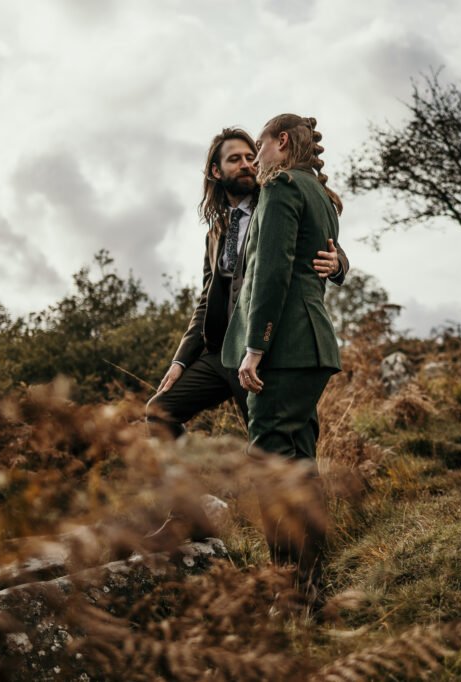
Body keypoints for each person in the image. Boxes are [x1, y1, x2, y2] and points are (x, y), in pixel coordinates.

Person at [147, 127, 348, 438]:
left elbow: (318, 240)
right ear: (216, 171)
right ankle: (190, 486)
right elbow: (206, 300)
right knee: (158, 412)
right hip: (218, 354)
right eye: (234, 159)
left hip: (264, 349)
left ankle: (294, 486)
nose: (246, 164)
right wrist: (180, 361)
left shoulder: (276, 199)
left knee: (275, 442)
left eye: (250, 156)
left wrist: (338, 263)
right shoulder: (216, 231)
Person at [221, 115, 344, 597]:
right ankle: (311, 583)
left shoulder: (281, 188)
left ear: (282, 142)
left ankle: (290, 588)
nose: (256, 157)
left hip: (285, 349)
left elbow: (271, 274)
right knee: (299, 464)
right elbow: (317, 255)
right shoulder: (322, 195)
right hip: (313, 348)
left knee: (269, 466)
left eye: (261, 146)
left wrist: (255, 348)